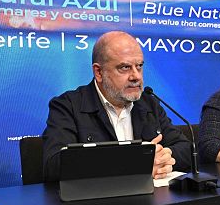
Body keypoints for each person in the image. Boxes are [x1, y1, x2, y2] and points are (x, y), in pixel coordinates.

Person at [42, 31, 191, 181]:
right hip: (96, 202)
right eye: (125, 68)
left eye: (139, 66)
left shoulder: (148, 103)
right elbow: (54, 165)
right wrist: (135, 165)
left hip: (152, 200)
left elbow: (185, 148)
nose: (136, 76)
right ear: (98, 72)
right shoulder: (68, 106)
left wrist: (164, 157)